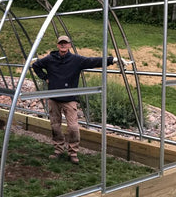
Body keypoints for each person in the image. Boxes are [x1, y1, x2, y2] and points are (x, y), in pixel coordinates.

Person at [32, 35, 132, 164]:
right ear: (57, 45)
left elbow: (93, 61)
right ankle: (58, 150)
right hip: (54, 98)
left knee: (73, 127)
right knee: (55, 126)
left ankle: (73, 152)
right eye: (61, 43)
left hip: (69, 99)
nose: (63, 45)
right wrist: (45, 77)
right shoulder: (50, 59)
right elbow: (36, 66)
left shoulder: (76, 60)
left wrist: (113, 60)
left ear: (69, 45)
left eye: (65, 43)